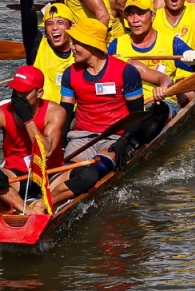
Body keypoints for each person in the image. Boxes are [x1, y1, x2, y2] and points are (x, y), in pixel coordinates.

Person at [48, 19, 169, 206]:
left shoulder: (126, 72)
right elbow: (65, 114)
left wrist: (124, 141)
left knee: (97, 167)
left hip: (115, 136)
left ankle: (52, 204)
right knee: (68, 172)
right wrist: (57, 146)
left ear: (92, 45)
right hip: (81, 137)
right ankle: (46, 203)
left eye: (77, 43)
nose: (72, 47)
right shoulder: (70, 74)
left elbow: (136, 114)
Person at [0, 65, 67, 214]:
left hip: (50, 174)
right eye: (15, 91)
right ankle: (26, 209)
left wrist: (28, 120)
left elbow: (46, 152)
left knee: (88, 174)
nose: (18, 97)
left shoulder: (55, 112)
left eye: (24, 92)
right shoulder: (1, 113)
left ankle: (42, 203)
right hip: (16, 176)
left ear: (39, 92)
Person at [108, 0, 195, 110]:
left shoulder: (172, 43)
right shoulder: (116, 45)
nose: (135, 20)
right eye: (130, 14)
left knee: (159, 110)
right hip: (129, 104)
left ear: (152, 16)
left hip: (162, 103)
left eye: (141, 13)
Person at [16, 0, 75, 102]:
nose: (54, 28)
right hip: (42, 116)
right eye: (49, 24)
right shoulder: (37, 46)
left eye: (60, 23)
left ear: (72, 26)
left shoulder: (81, 51)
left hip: (71, 116)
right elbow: (27, 10)